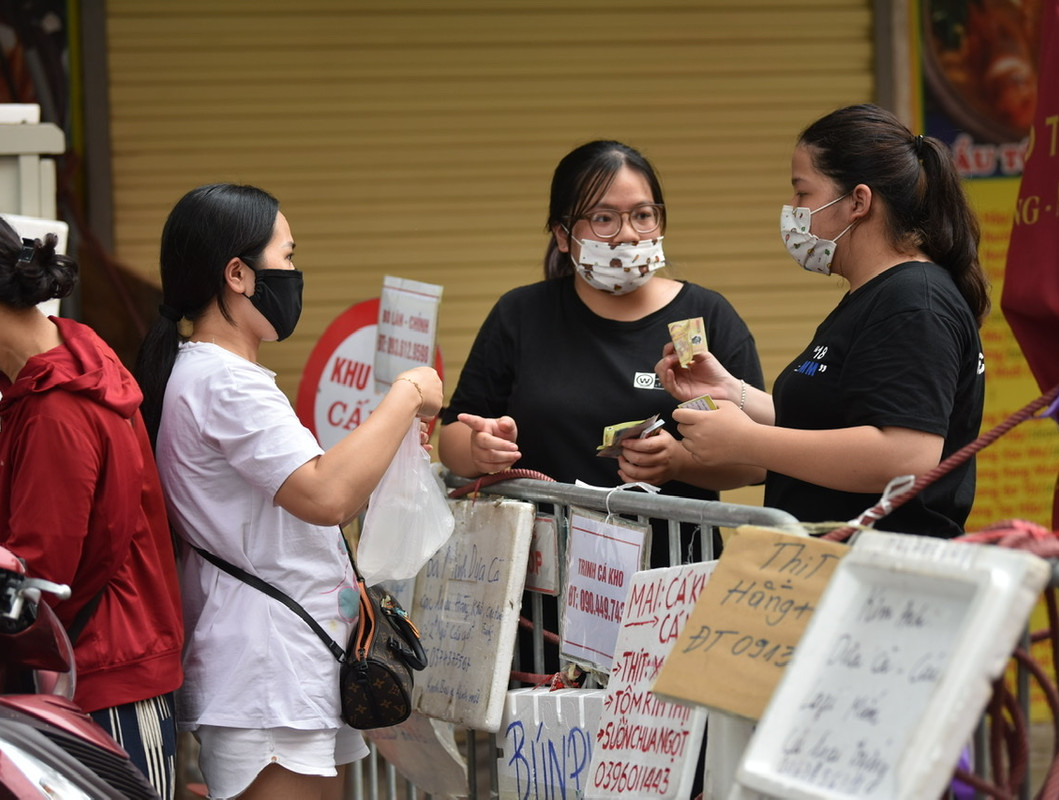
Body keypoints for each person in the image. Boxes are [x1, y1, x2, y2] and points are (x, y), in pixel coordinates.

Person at [135, 183, 442, 800]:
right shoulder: (225, 383)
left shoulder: (219, 375)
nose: (296, 272)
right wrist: (407, 392)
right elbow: (325, 494)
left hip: (292, 658)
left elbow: (327, 493)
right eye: (289, 256)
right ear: (239, 274)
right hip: (267, 670)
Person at [658, 104, 989, 538]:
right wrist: (731, 392)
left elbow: (907, 455)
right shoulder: (874, 295)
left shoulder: (913, 301)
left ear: (858, 201)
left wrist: (745, 441)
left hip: (879, 582)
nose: (792, 209)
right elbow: (829, 424)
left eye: (802, 193)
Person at [0, 201, 184, 797]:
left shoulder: (58, 408)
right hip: (100, 670)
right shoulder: (60, 370)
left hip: (101, 681)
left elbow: (37, 578)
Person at [439, 139, 766, 558]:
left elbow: (755, 462)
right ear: (562, 234)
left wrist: (681, 462)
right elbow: (453, 437)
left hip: (668, 590)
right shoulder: (521, 314)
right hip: (542, 590)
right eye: (604, 218)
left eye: (643, 215)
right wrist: (478, 450)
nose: (628, 233)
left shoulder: (700, 318)